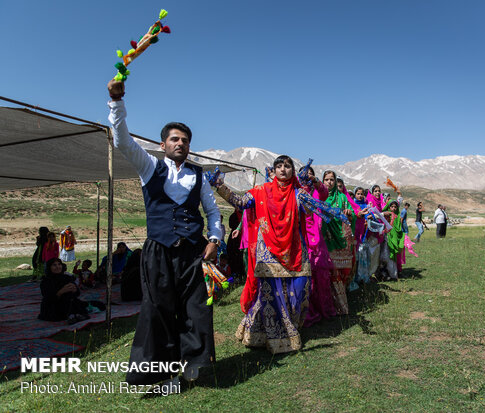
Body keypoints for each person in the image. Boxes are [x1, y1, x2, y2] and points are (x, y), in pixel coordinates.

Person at [107, 79, 222, 386]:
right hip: (158, 249)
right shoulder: (149, 167)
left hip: (193, 252)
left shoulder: (200, 175)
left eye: (184, 139)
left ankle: (194, 369)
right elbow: (122, 142)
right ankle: (159, 374)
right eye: (174, 139)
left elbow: (212, 213)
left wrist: (214, 240)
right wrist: (117, 103)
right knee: (157, 310)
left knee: (196, 310)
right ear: (163, 144)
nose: (180, 143)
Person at [212, 155, 311, 354]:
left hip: (295, 250)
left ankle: (286, 327)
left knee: (300, 291)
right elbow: (240, 202)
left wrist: (308, 189)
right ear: (273, 170)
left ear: (292, 170)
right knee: (270, 296)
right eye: (279, 166)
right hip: (268, 250)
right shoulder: (260, 192)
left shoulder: (299, 193)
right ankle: (273, 336)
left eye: (288, 166)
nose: (283, 169)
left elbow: (310, 211)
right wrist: (219, 186)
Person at [302, 167, 337, 327]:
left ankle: (324, 309)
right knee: (305, 277)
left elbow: (324, 194)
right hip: (301, 236)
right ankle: (307, 311)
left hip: (316, 237)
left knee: (321, 275)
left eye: (309, 174)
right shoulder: (296, 191)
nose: (307, 176)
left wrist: (315, 181)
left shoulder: (317, 192)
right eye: (304, 173)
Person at [322, 170, 354, 315]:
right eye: (326, 179)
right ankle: (327, 306)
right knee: (326, 272)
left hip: (339, 239)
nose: (329, 182)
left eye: (332, 180)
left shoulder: (341, 197)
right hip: (324, 238)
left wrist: (348, 212)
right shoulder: (319, 196)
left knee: (339, 273)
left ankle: (340, 306)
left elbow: (351, 213)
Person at [38, 258, 90, 324]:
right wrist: (61, 291)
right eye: (54, 265)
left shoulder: (66, 278)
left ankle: (73, 315)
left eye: (59, 264)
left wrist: (75, 290)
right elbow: (48, 297)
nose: (57, 267)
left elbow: (77, 294)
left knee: (74, 301)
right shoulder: (46, 281)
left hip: (68, 302)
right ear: (49, 268)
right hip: (53, 306)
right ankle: (71, 315)